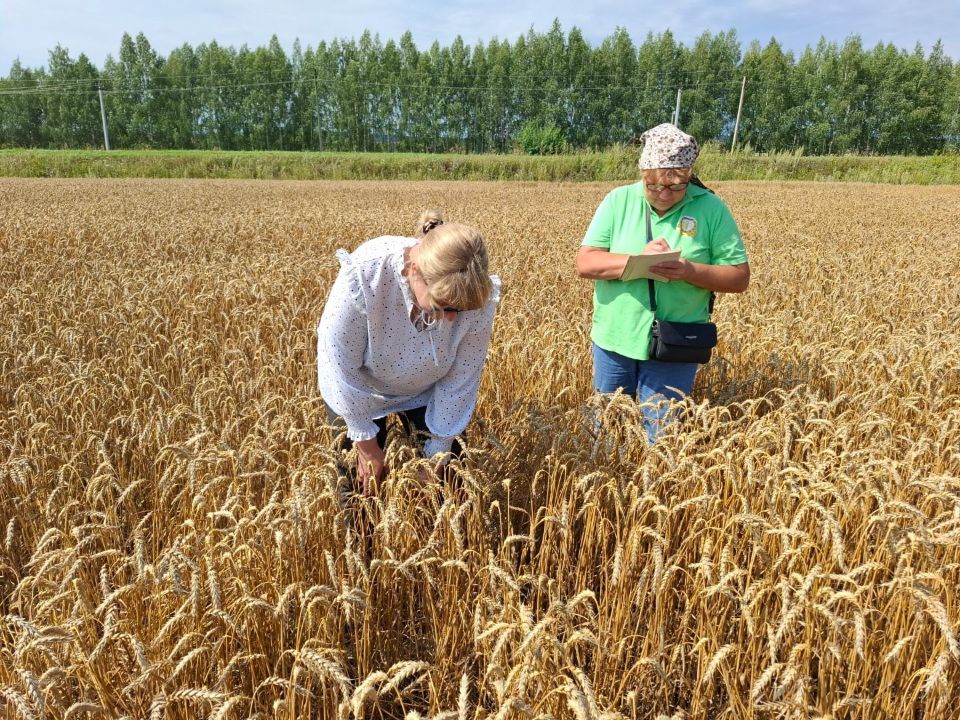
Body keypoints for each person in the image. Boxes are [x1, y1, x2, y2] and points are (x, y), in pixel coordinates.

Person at [575, 123, 750, 442]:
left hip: (676, 342)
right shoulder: (618, 201)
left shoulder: (711, 208)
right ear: (643, 173)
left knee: (662, 437)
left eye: (675, 186)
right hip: (615, 338)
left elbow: (739, 277)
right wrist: (635, 261)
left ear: (689, 176)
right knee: (606, 433)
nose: (663, 194)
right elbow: (585, 263)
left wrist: (688, 270)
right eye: (653, 185)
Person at [317, 210, 500, 495]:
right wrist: (366, 444)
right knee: (358, 488)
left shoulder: (474, 294)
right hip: (360, 390)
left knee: (449, 486)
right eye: (444, 306)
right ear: (414, 271)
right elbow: (339, 363)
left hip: (427, 390)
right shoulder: (367, 274)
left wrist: (437, 452)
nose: (452, 318)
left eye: (462, 310)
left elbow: (461, 378)